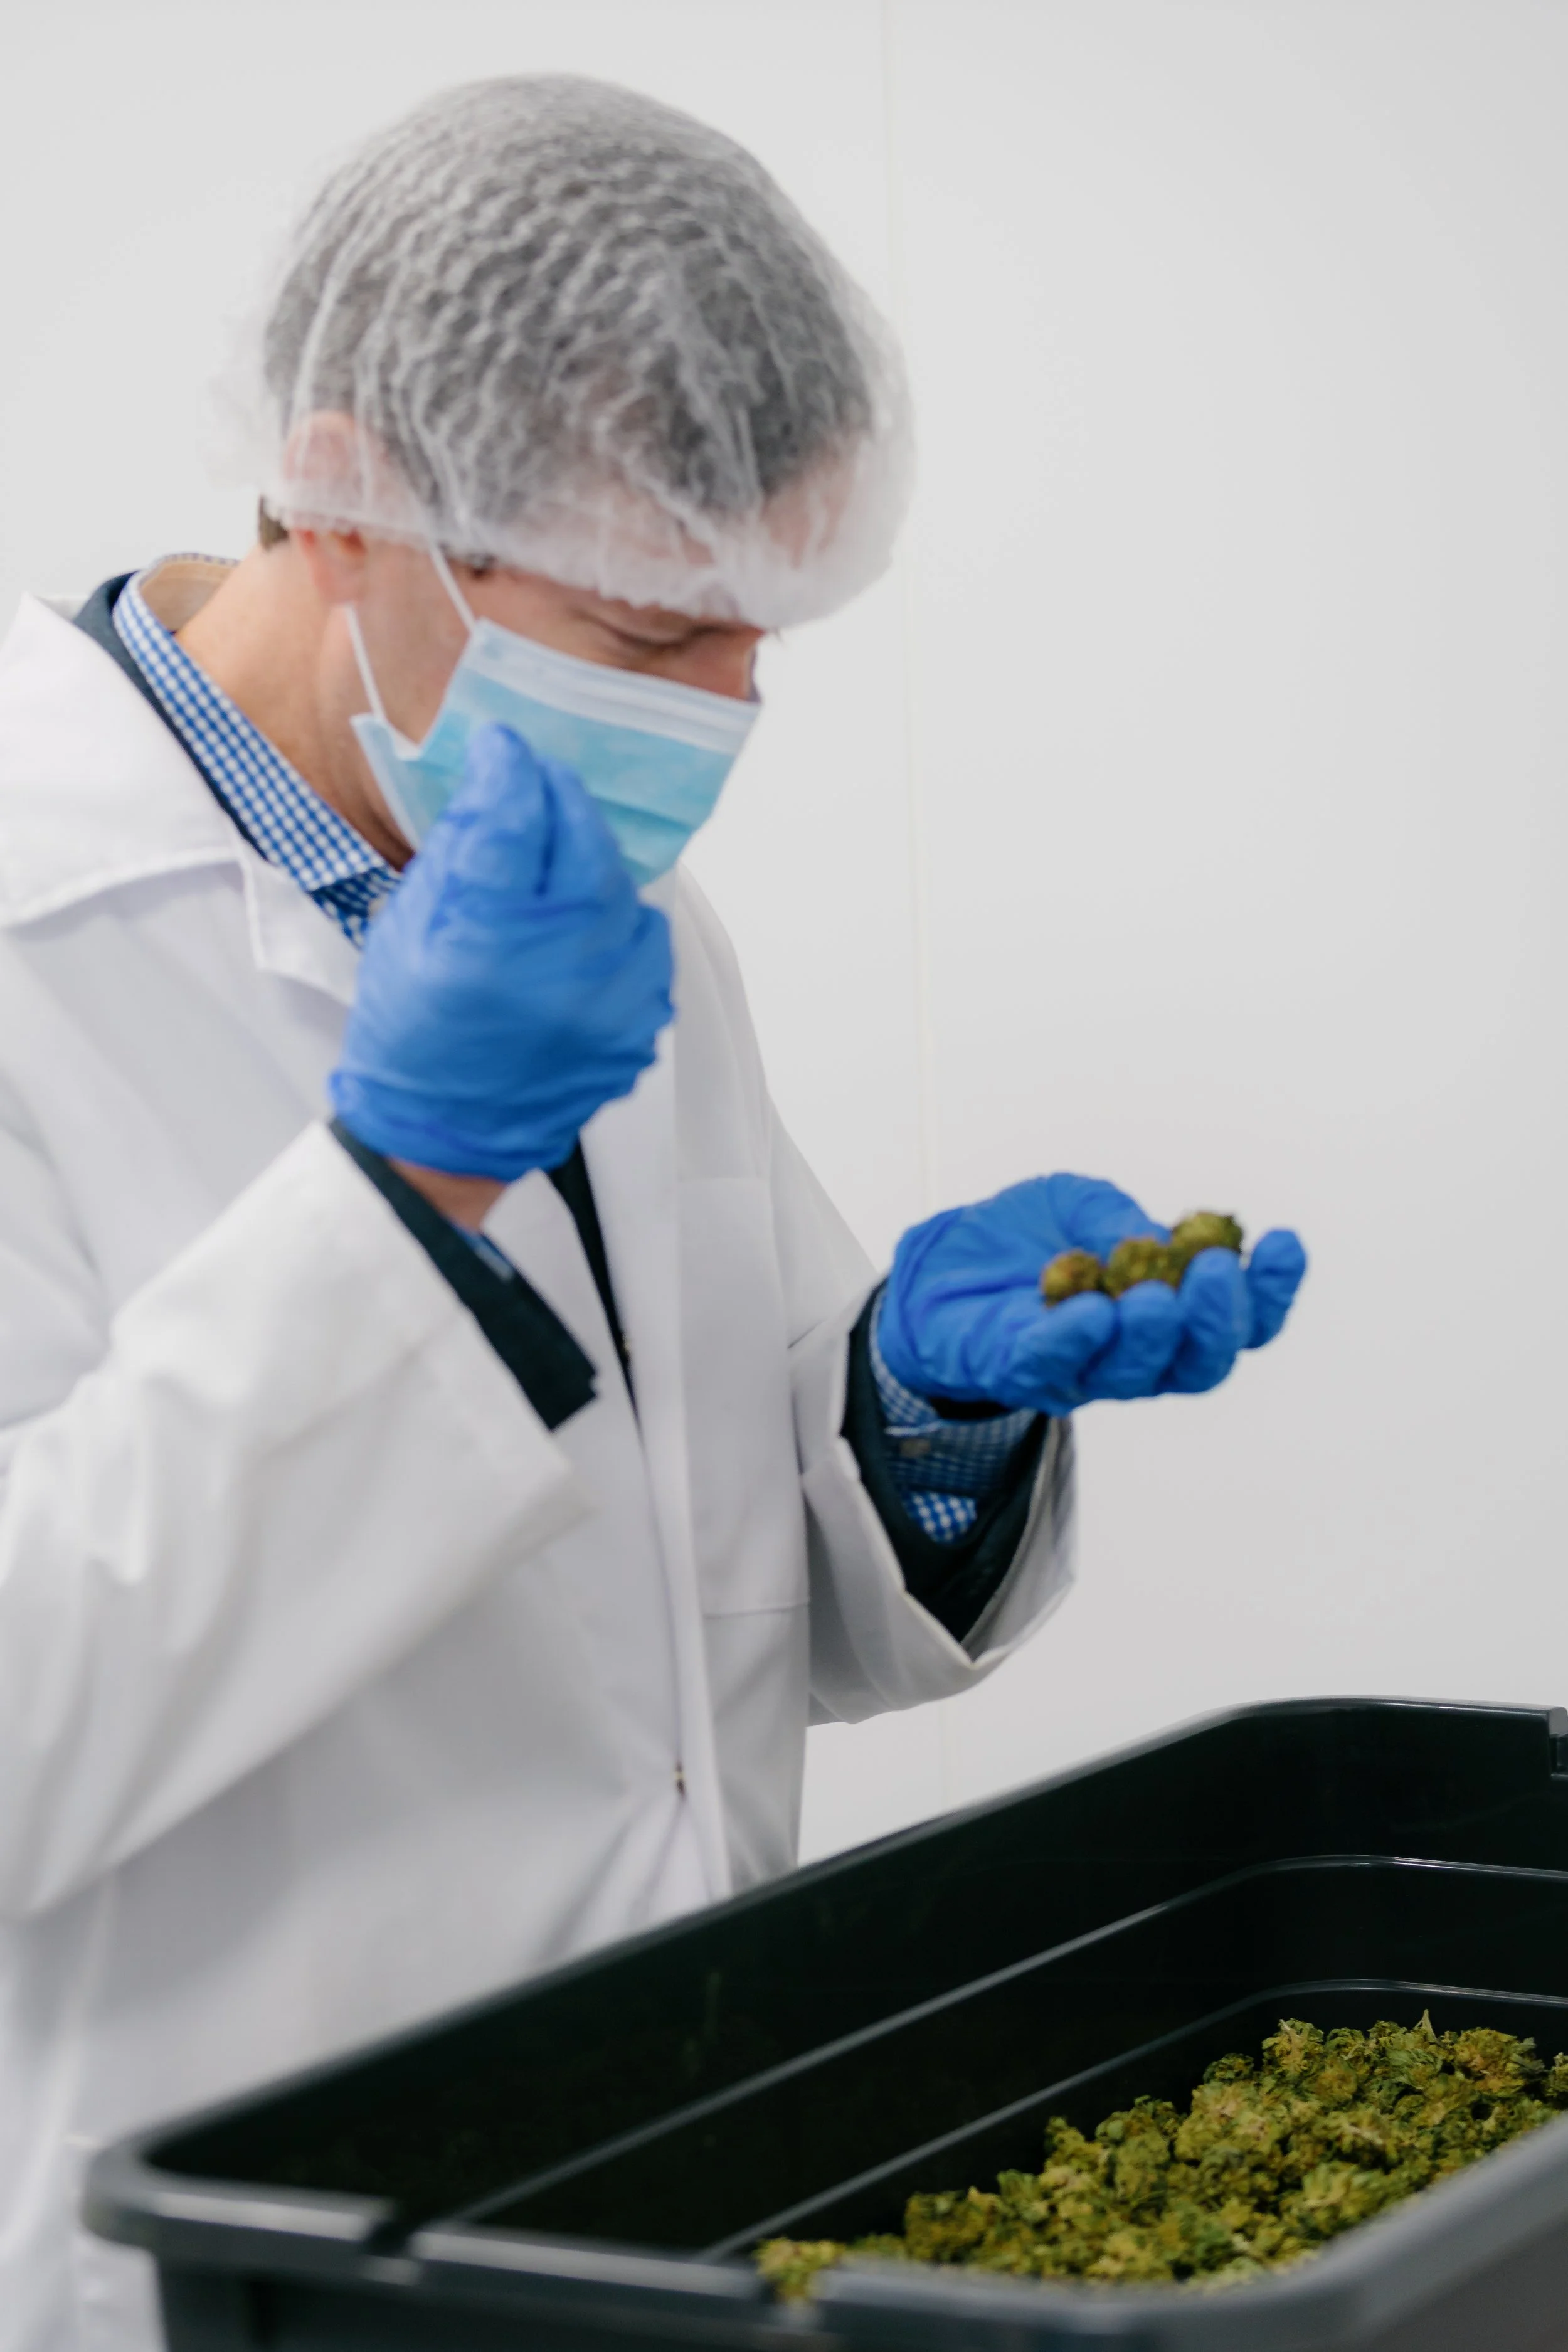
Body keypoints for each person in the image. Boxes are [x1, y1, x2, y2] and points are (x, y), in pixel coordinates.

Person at [0, 77, 1305, 2350]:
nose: (721, 715)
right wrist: (406, 1199)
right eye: (645, 625)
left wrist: (909, 1410)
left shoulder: (621, 920)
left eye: (758, 635)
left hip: (673, 2195)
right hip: (233, 2259)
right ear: (348, 493)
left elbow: (680, 1613)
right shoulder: (42, 945)